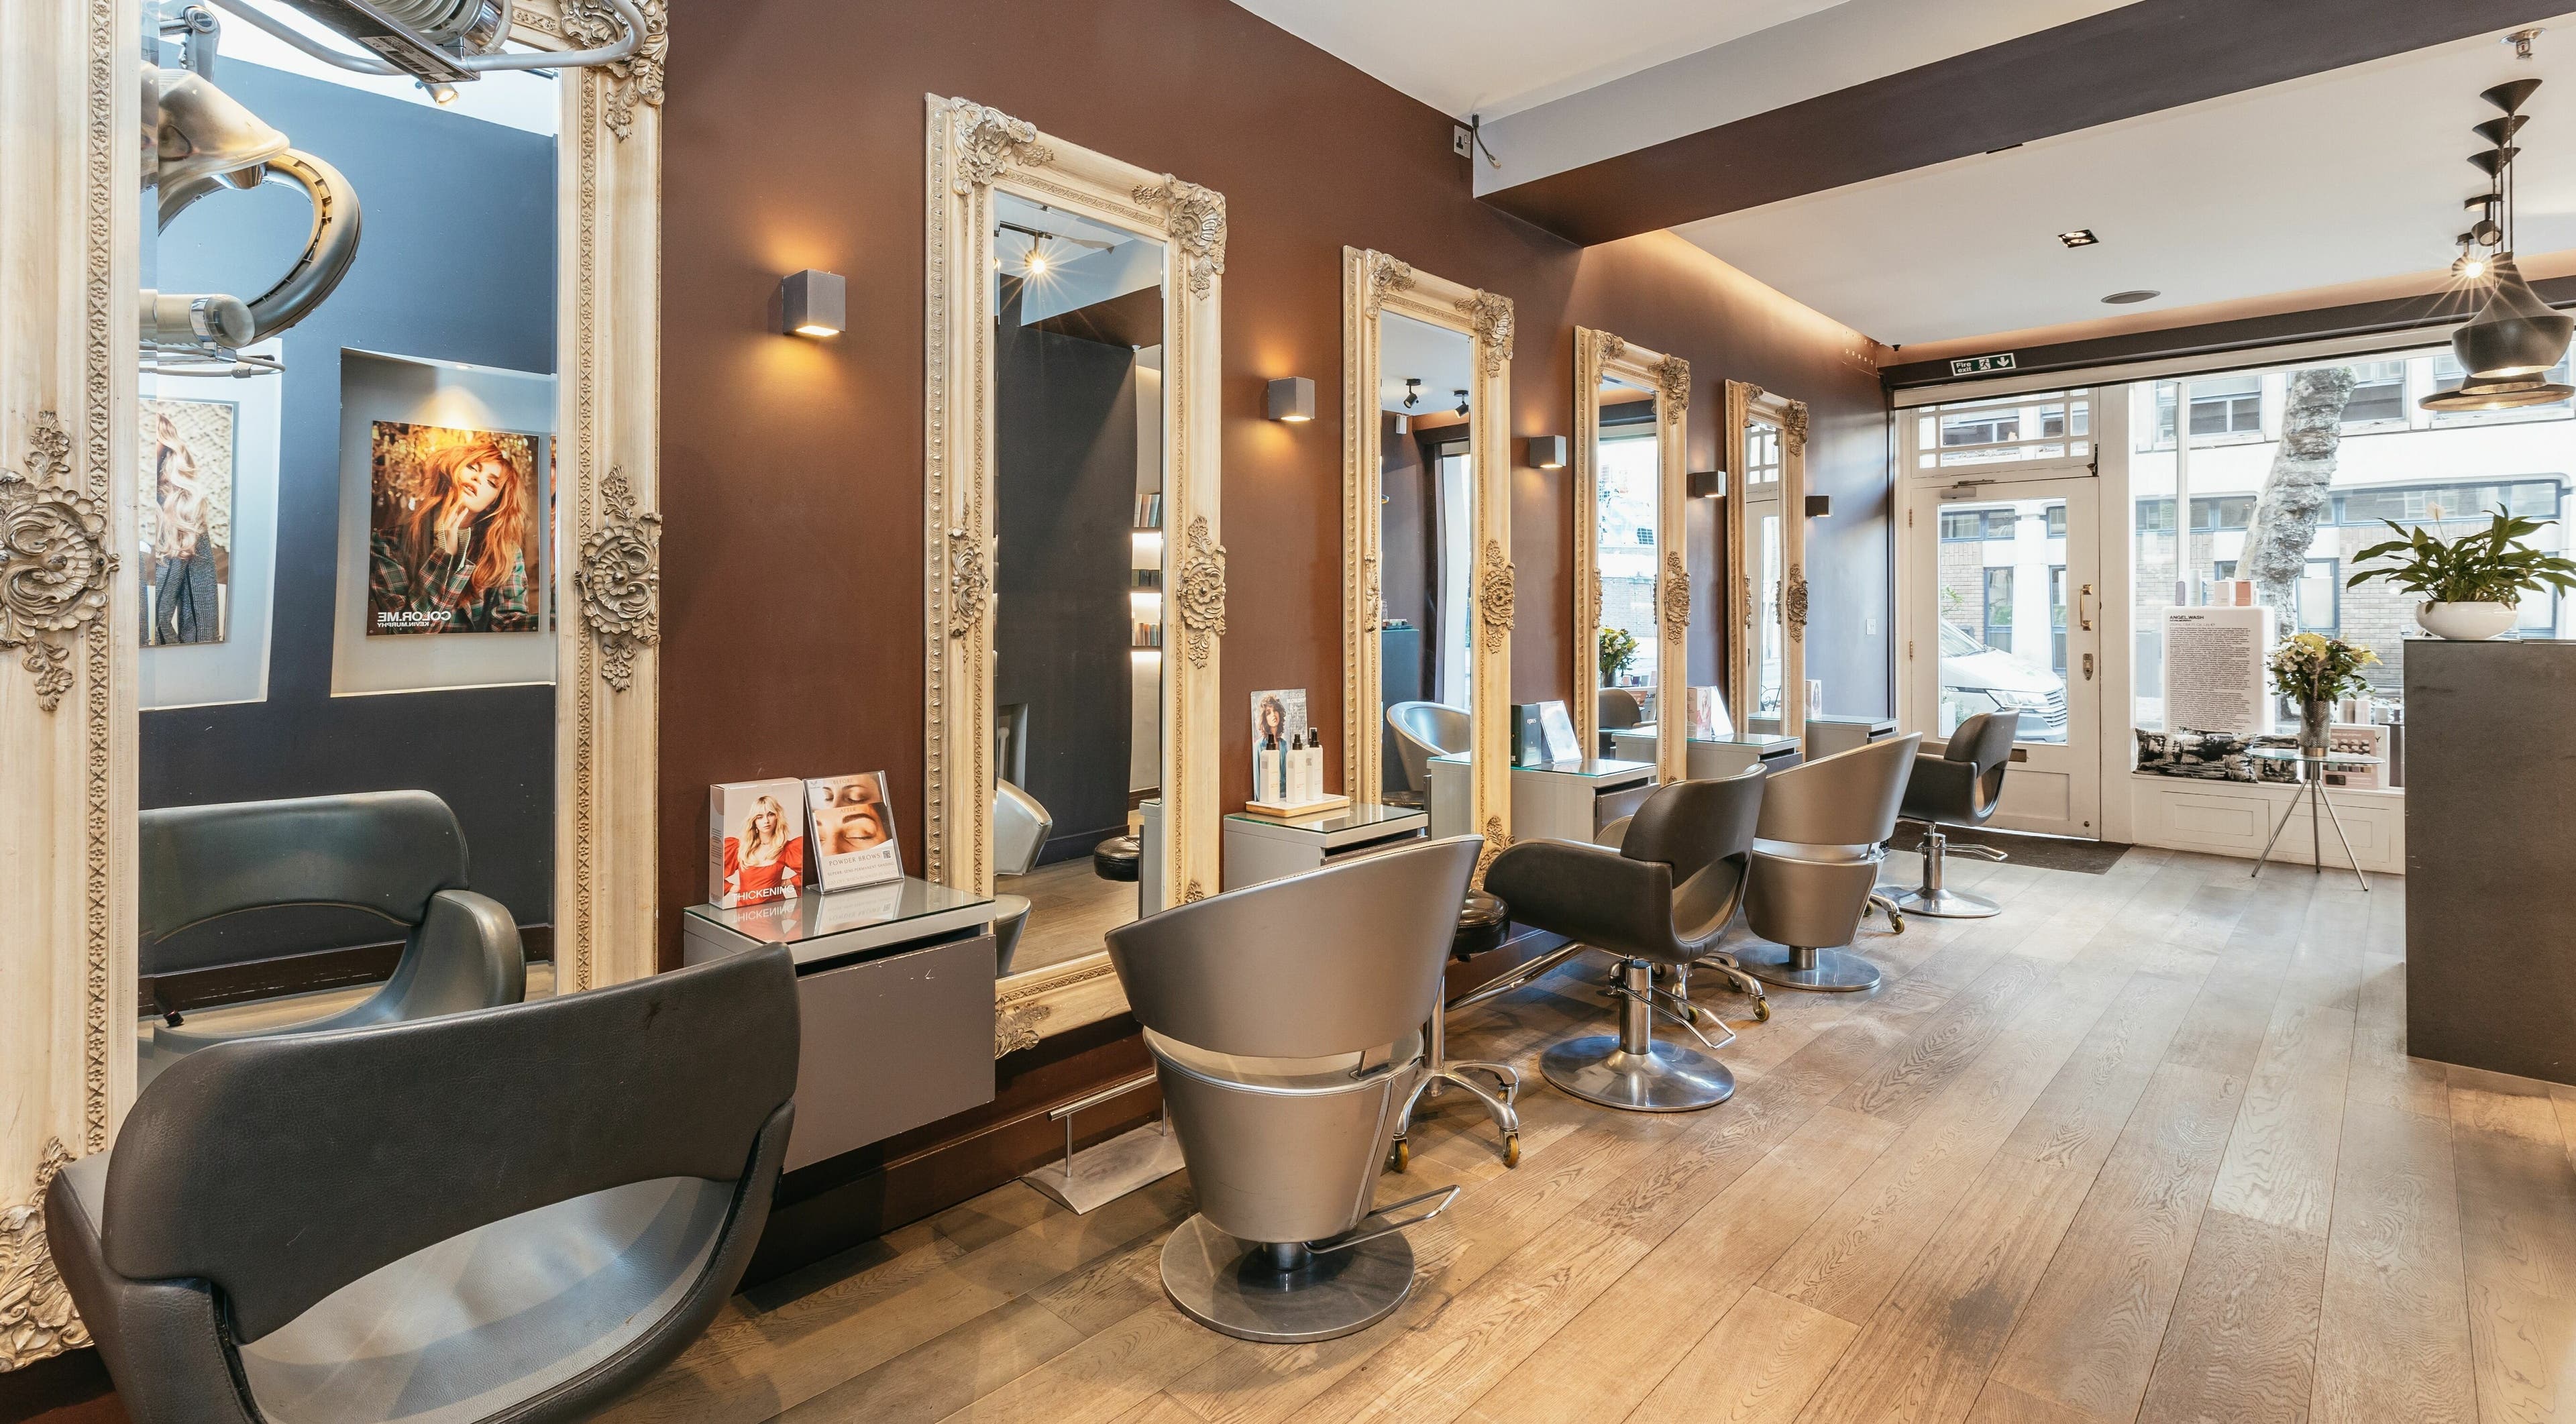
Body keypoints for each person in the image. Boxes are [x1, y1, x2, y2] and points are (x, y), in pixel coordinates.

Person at [369, 437, 535, 635]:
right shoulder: (386, 544)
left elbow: (509, 626)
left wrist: (556, 622)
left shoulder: (505, 552)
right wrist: (445, 554)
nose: (478, 479)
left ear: (493, 503)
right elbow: (410, 633)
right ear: (452, 471)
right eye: (473, 468)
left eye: (491, 482)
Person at [145, 410, 221, 645]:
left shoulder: (181, 510)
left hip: (162, 659)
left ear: (166, 449)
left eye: (152, 436)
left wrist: (199, 663)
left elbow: (201, 610)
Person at [722, 795, 804, 902]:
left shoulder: (787, 849)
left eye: (770, 815)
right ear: (754, 821)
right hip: (745, 913)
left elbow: (814, 875)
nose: (766, 821)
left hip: (774, 912)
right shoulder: (739, 848)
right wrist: (732, 888)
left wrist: (788, 882)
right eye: (760, 817)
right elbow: (711, 874)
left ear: (777, 817)